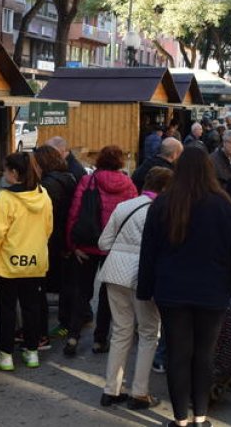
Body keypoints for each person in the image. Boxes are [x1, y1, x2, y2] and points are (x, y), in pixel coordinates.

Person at [137, 147, 231, 427]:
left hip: (172, 290)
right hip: (212, 291)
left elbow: (149, 251)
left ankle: (180, 419)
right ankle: (200, 416)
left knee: (177, 355)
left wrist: (145, 289)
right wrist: (229, 286)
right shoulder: (223, 204)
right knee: (204, 356)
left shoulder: (164, 203)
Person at [98, 167, 173, 411]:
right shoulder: (162, 211)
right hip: (142, 275)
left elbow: (103, 242)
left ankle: (111, 390)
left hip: (114, 273)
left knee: (121, 331)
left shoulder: (124, 206)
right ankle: (139, 392)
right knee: (149, 333)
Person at [64, 145, 138, 356]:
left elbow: (74, 213)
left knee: (82, 292)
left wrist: (72, 245)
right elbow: (133, 218)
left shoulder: (88, 181)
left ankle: (73, 336)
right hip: (114, 247)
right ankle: (99, 340)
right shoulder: (129, 185)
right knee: (107, 295)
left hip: (87, 244)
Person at [0, 151, 53, 372]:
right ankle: (32, 352)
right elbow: (48, 228)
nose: (4, 174)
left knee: (7, 310)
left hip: (7, 263)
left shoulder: (5, 198)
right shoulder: (43, 194)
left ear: (14, 172)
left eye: (5, 170)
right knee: (32, 307)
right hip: (35, 262)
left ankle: (5, 354)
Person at [34, 145, 78, 340]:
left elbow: (48, 216)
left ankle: (43, 332)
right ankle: (68, 323)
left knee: (41, 287)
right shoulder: (68, 177)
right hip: (65, 239)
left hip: (53, 240)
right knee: (68, 284)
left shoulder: (48, 185)